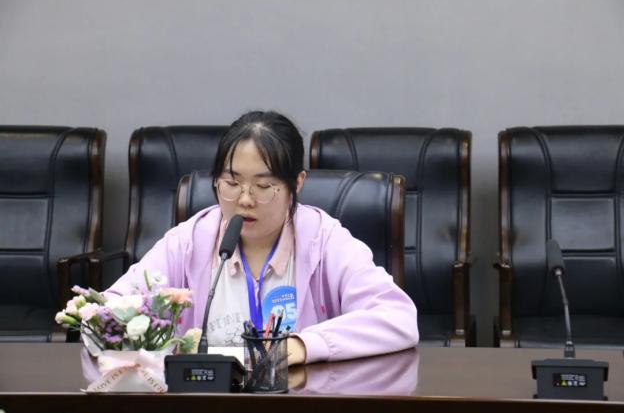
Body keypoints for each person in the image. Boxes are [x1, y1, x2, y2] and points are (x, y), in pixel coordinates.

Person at [107, 110, 418, 365]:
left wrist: (305, 345)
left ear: (297, 183)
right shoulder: (190, 240)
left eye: (264, 186)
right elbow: (109, 311)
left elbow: (397, 318)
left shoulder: (324, 240)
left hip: (302, 401)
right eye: (231, 183)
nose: (245, 200)